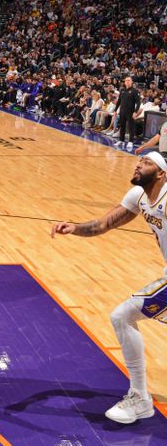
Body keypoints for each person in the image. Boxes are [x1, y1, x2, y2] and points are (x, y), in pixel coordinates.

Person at [51, 152, 167, 424]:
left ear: (161, 174)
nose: (139, 164)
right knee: (124, 317)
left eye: (147, 163)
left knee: (122, 316)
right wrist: (75, 227)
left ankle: (140, 398)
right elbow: (105, 223)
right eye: (140, 161)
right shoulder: (139, 196)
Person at [117, 76, 141, 151]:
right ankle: (121, 140)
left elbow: (138, 102)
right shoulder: (122, 90)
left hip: (130, 112)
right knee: (122, 126)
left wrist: (135, 112)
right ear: (124, 82)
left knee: (131, 127)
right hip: (122, 111)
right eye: (126, 80)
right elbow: (119, 101)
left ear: (131, 82)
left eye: (129, 80)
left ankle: (131, 141)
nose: (127, 81)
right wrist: (115, 110)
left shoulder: (134, 91)